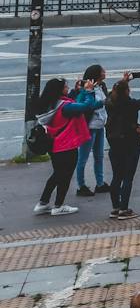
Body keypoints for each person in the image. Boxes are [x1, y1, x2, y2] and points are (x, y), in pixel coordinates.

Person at [33, 78, 101, 216]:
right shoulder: (65, 107)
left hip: (54, 145)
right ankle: (59, 206)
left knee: (57, 174)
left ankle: (43, 203)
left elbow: (73, 101)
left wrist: (78, 91)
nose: (67, 88)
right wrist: (89, 91)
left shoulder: (50, 104)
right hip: (66, 146)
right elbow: (85, 107)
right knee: (65, 176)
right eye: (65, 86)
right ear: (59, 90)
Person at [105, 71, 140, 219]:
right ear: (127, 92)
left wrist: (124, 81)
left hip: (114, 143)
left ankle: (115, 208)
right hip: (130, 143)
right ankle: (124, 209)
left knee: (116, 176)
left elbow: (112, 92)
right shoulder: (131, 104)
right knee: (128, 177)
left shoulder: (109, 103)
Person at [72, 64, 107, 198]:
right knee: (83, 158)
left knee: (99, 156)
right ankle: (81, 186)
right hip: (89, 127)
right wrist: (98, 99)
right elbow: (88, 106)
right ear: (96, 74)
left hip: (100, 126)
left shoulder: (101, 86)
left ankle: (100, 183)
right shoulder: (85, 88)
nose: (105, 72)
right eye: (102, 71)